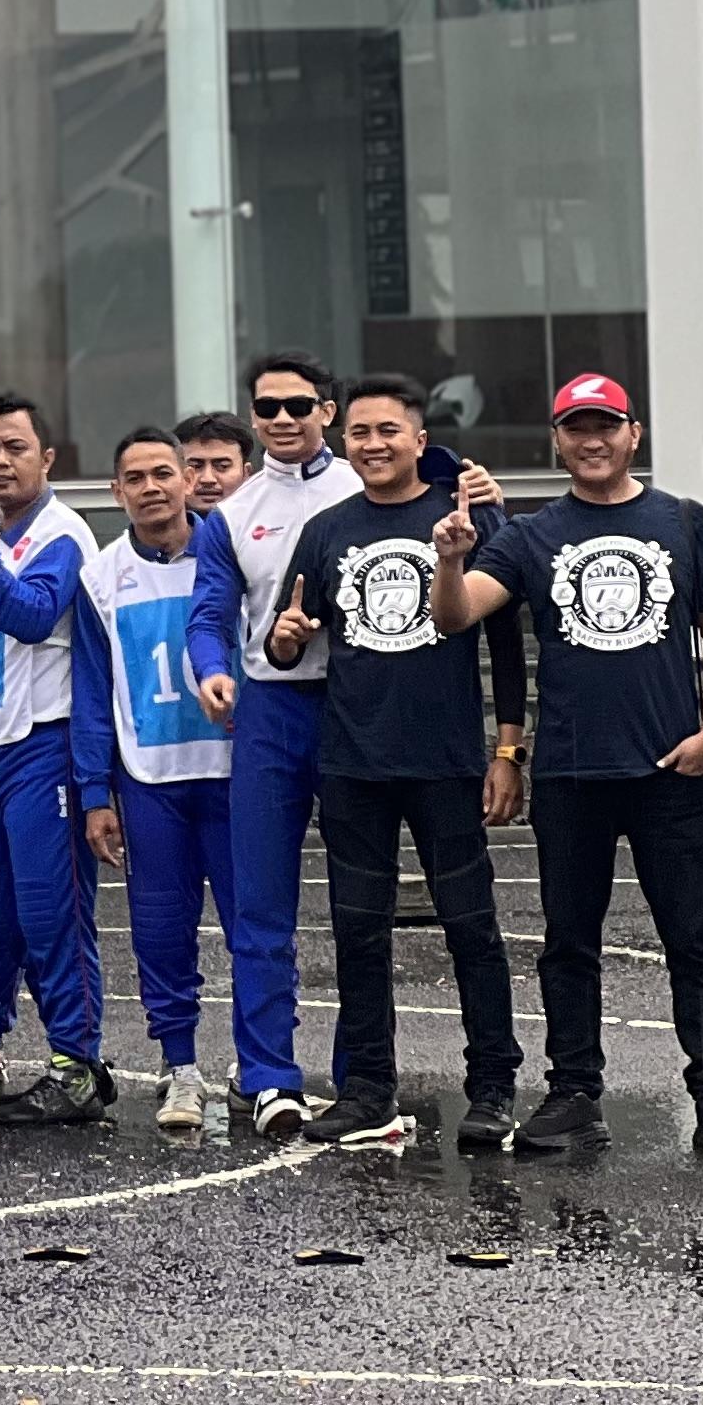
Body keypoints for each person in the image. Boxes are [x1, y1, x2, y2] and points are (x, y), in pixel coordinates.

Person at [436, 372, 703, 1158]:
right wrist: (448, 560)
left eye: (606, 426)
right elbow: (455, 615)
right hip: (572, 773)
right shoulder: (530, 535)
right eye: (576, 428)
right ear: (558, 442)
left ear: (633, 434)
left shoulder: (683, 520)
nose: (592, 440)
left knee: (694, 941)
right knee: (569, 942)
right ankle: (574, 1092)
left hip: (671, 769)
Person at [273, 375, 527, 1152]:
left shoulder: (467, 516)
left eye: (389, 430)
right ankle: (367, 1090)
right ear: (342, 442)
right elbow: (287, 638)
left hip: (445, 760)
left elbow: (505, 644)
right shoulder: (326, 529)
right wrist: (284, 637)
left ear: (420, 440)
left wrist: (507, 748)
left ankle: (494, 1088)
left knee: (471, 929)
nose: (374, 444)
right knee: (358, 935)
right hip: (353, 763)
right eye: (359, 432)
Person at [184, 352, 359, 1143]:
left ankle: (363, 1075)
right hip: (269, 711)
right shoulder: (233, 511)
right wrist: (212, 670)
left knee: (361, 904)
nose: (282, 419)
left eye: (297, 405)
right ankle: (267, 1077)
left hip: (356, 708)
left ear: (327, 409)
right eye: (267, 408)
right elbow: (208, 612)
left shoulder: (364, 486)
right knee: (259, 906)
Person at [0, 396, 107, 1126]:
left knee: (50, 912)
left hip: (43, 743)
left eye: (15, 448)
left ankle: (77, 1066)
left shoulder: (62, 532)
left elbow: (33, 618)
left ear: (48, 458)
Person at [72, 427, 239, 1135]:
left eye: (162, 473)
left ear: (187, 480)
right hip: (150, 779)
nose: (150, 487)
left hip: (233, 774)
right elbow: (91, 691)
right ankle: (181, 1067)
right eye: (134, 477)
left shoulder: (230, 554)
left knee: (254, 928)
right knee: (161, 933)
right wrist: (94, 793)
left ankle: (261, 1065)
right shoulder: (100, 577)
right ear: (117, 492)